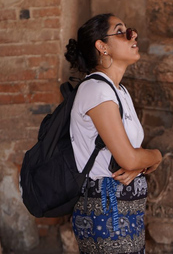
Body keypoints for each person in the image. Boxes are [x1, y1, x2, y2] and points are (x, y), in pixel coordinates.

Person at [64, 13, 162, 254]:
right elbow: (128, 158)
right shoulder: (96, 91)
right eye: (122, 31)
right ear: (102, 46)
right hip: (107, 213)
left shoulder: (119, 91)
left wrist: (139, 163)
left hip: (126, 212)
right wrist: (157, 156)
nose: (133, 35)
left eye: (130, 30)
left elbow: (131, 158)